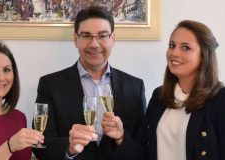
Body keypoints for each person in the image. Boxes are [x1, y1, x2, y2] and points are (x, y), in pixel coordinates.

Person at [102, 20, 225, 160]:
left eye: (185, 47)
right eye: (172, 45)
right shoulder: (159, 96)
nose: (174, 53)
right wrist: (121, 136)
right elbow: (143, 154)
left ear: (204, 56)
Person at [32, 6, 146, 160]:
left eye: (102, 36)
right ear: (75, 39)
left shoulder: (135, 87)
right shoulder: (50, 85)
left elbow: (143, 149)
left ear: (112, 39)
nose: (94, 44)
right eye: (86, 36)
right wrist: (70, 148)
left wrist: (121, 138)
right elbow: (40, 145)